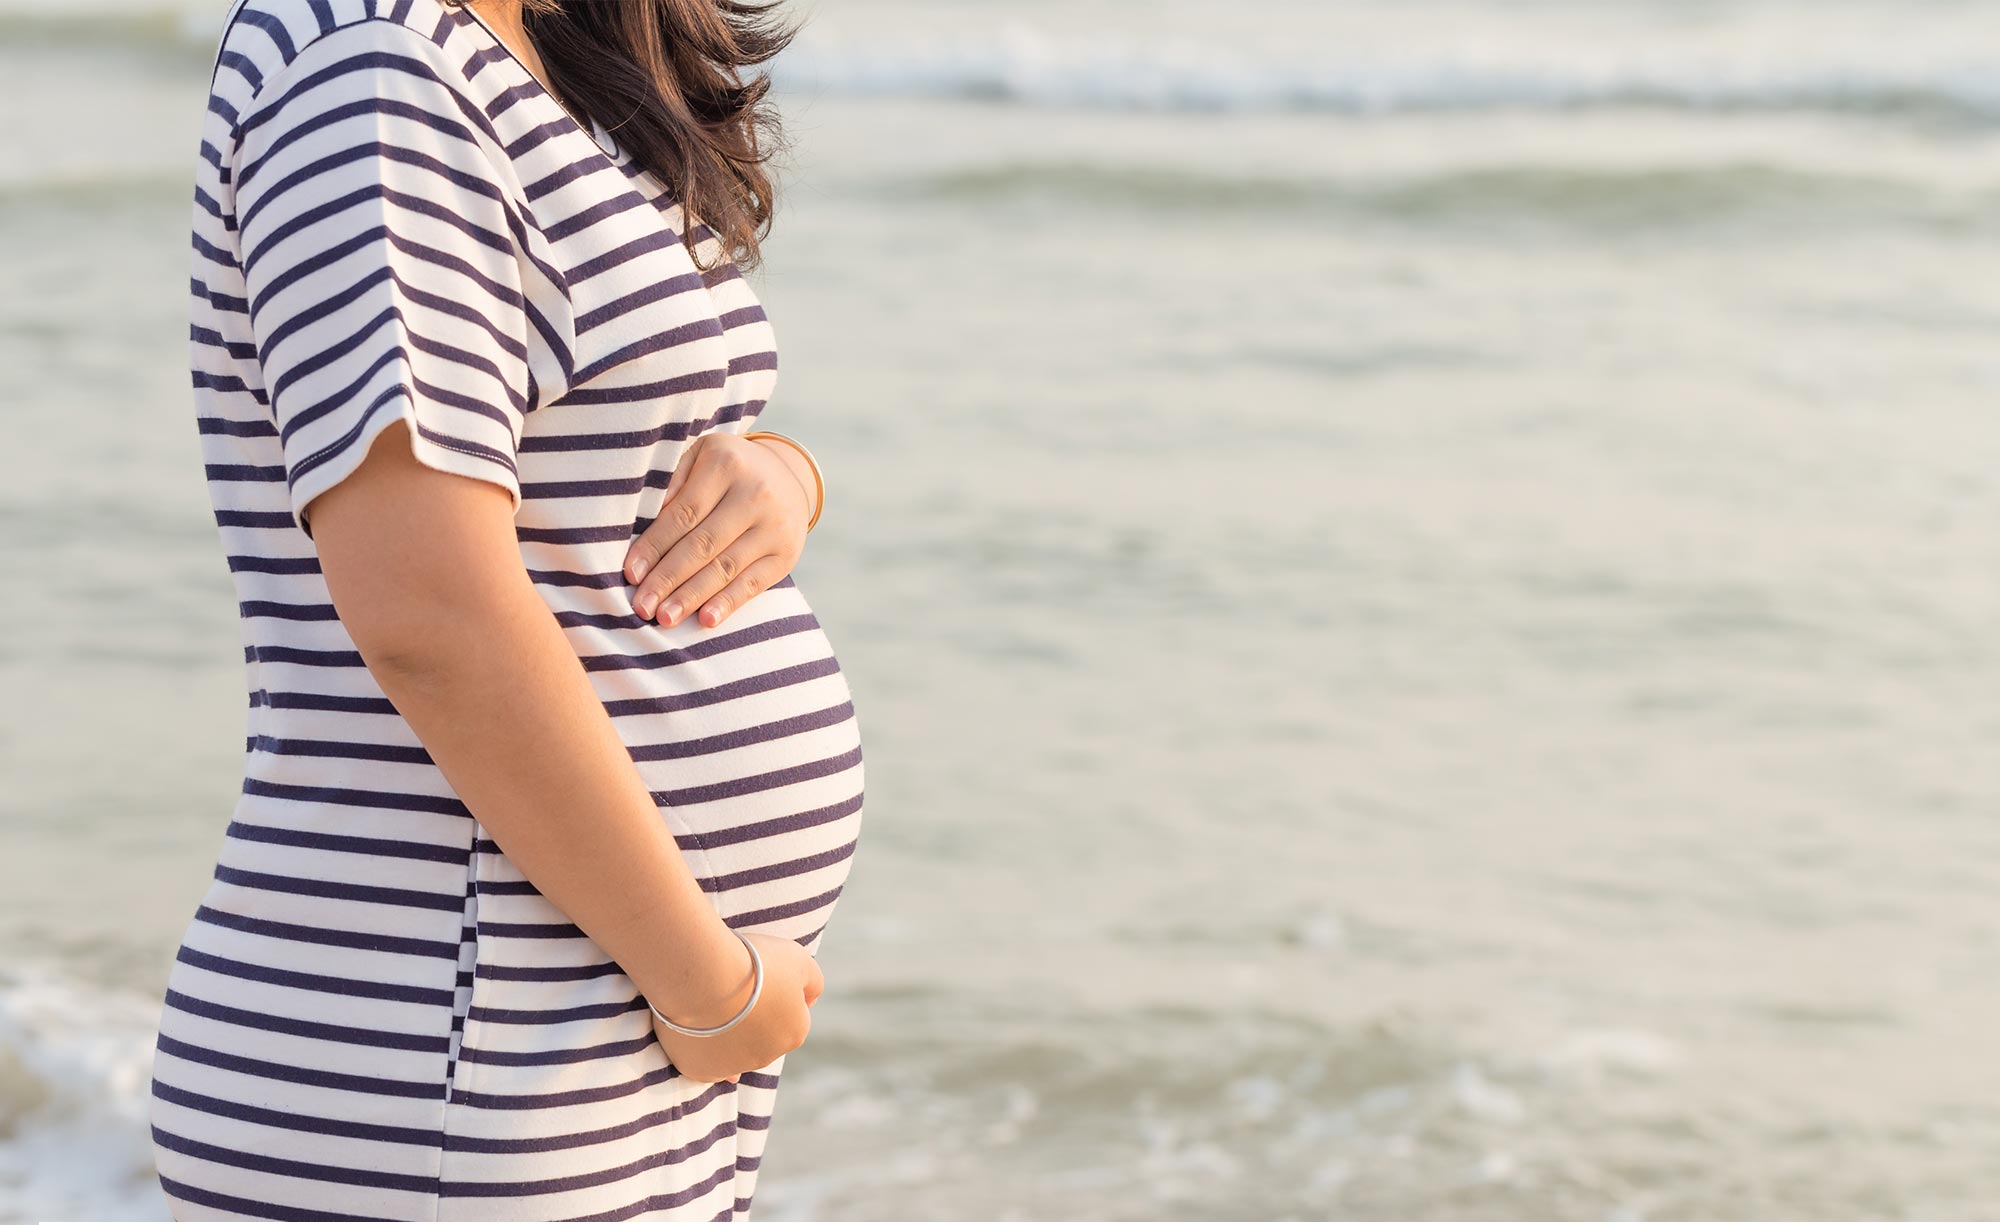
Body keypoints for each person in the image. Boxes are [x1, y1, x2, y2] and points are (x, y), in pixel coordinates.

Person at [148, 0, 866, 1217]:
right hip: (458, 1042)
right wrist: (705, 982)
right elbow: (430, 612)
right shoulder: (364, 66)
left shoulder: (529, 46)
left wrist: (785, 477)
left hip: (561, 1027)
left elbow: (590, 445)